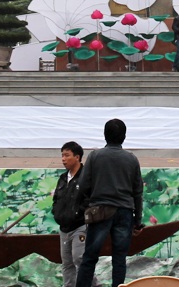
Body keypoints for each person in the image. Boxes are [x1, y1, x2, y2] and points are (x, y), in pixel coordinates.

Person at [75, 119, 144, 287]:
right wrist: (137, 220)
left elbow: (83, 185)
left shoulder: (95, 156)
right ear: (124, 137)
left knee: (90, 256)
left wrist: (86, 204)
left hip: (100, 210)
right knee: (119, 258)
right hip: (125, 212)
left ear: (104, 135)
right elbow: (138, 192)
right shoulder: (131, 159)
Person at [53, 141, 87, 287]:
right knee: (67, 263)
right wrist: (57, 212)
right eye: (62, 155)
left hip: (80, 226)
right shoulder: (62, 178)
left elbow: (91, 200)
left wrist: (78, 214)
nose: (63, 159)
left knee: (79, 259)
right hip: (64, 228)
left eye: (67, 155)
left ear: (77, 157)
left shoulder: (87, 177)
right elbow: (56, 200)